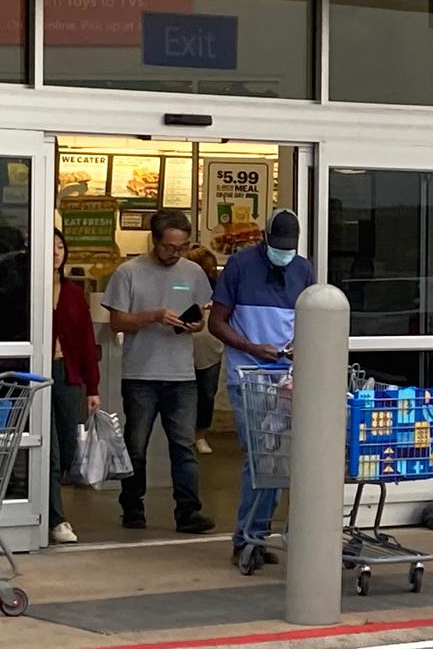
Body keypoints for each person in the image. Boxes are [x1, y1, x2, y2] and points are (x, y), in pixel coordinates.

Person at [209, 208, 315, 567]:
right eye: (277, 247)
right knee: (259, 458)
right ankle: (245, 538)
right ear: (263, 240)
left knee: (279, 459)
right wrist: (253, 348)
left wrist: (300, 344)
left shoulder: (303, 270)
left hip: (286, 379)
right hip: (249, 377)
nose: (283, 255)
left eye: (289, 249)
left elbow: (310, 318)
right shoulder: (239, 266)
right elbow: (216, 322)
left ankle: (258, 534)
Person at [102, 210, 215, 534]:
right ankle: (133, 507)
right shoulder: (128, 273)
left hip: (182, 374)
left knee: (184, 446)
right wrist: (152, 316)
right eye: (169, 247)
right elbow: (117, 322)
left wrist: (194, 324)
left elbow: (201, 318)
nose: (175, 253)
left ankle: (189, 511)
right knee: (136, 445)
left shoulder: (193, 272)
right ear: (155, 240)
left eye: (181, 247)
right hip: (140, 374)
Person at [48, 228, 101, 544]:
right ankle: (56, 518)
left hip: (67, 375)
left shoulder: (72, 294)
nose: (56, 252)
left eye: (60, 246)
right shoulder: (26, 288)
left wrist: (92, 387)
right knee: (49, 452)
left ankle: (48, 509)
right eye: (50, 246)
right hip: (36, 373)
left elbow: (84, 341)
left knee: (68, 447)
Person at [186, 246, 224, 455]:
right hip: (183, 345)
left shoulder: (219, 289)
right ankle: (184, 434)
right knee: (184, 395)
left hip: (210, 346)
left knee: (207, 394)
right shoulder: (181, 285)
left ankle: (200, 434)